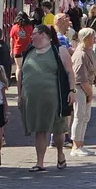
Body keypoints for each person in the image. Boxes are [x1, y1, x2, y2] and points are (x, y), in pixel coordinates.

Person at [16, 25, 75, 172]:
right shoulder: (29, 51)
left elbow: (69, 72)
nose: (31, 36)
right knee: (39, 129)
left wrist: (72, 91)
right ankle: (40, 162)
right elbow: (21, 74)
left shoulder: (59, 50)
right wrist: (19, 93)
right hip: (33, 99)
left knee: (58, 129)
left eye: (34, 33)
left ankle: (60, 154)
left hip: (54, 97)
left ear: (43, 34)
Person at [70, 28, 96, 157]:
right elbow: (80, 78)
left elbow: (93, 69)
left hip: (87, 86)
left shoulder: (89, 51)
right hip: (80, 88)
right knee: (79, 116)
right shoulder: (80, 54)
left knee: (85, 117)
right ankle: (75, 146)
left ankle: (81, 144)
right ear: (86, 39)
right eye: (92, 37)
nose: (95, 40)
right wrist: (90, 94)